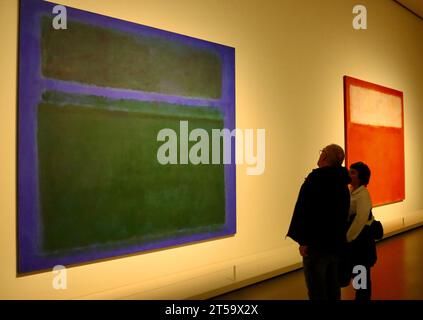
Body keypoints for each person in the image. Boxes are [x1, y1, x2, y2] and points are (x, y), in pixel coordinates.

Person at [287, 144, 351, 300]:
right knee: (333, 288)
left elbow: (304, 212)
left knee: (317, 290)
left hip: (316, 246)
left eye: (322, 152)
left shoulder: (315, 181)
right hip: (335, 244)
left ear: (324, 157)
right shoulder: (342, 183)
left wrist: (303, 241)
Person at [346, 161, 377, 300]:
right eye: (350, 171)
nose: (349, 174)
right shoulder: (352, 191)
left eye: (353, 172)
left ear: (360, 177)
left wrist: (348, 237)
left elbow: (360, 220)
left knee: (361, 274)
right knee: (358, 272)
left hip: (361, 242)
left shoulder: (363, 195)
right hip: (356, 241)